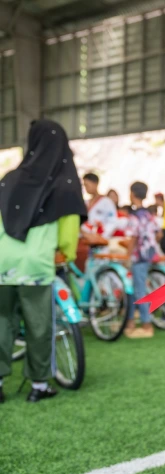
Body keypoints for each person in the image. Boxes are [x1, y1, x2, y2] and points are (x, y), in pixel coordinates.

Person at [0, 119, 86, 403]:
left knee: (3, 322)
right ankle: (38, 386)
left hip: (2, 264)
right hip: (35, 267)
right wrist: (67, 254)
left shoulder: (9, 179)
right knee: (38, 325)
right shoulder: (64, 184)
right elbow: (68, 234)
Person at [124, 182, 160, 339]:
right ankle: (130, 321)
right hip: (149, 254)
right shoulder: (149, 215)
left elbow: (133, 237)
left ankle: (146, 324)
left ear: (132, 194)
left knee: (139, 290)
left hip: (138, 256)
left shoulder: (134, 216)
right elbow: (159, 234)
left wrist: (127, 255)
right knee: (134, 289)